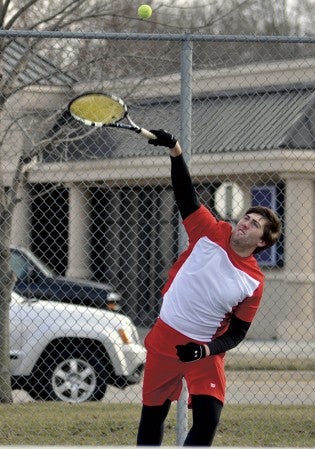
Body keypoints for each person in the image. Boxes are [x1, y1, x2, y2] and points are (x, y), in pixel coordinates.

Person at [136, 129, 282, 447]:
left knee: (208, 420)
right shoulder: (210, 230)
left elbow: (238, 333)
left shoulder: (254, 281)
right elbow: (185, 194)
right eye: (247, 217)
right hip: (165, 337)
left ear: (262, 242)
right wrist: (175, 150)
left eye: (255, 224)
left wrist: (205, 350)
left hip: (203, 349)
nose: (246, 222)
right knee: (152, 416)